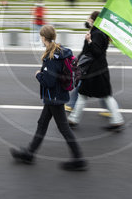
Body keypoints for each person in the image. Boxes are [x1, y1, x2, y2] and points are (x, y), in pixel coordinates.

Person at [10, 25, 87, 171]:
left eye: (41, 37)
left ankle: (79, 159)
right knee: (42, 124)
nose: (41, 39)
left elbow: (49, 82)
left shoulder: (52, 57)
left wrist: (38, 75)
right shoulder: (60, 50)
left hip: (54, 97)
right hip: (57, 95)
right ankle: (29, 153)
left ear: (44, 38)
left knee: (63, 128)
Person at [67, 11, 125, 131]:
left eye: (89, 18)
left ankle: (73, 119)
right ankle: (116, 120)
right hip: (97, 69)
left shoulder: (98, 33)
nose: (87, 20)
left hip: (95, 70)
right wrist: (77, 60)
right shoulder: (96, 32)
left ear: (94, 20)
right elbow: (86, 51)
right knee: (101, 95)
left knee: (86, 94)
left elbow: (97, 52)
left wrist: (89, 41)